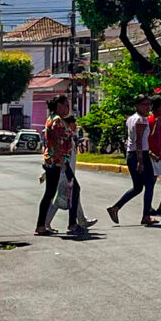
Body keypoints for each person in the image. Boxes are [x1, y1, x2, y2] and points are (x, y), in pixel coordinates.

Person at [36, 97, 92, 238]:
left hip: (55, 161)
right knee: (73, 189)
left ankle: (41, 225)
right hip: (58, 162)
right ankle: (71, 224)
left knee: (51, 193)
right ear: (58, 106)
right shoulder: (57, 121)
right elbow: (55, 140)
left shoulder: (54, 119)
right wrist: (61, 159)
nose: (67, 108)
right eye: (65, 105)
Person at [108, 97, 154, 226]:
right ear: (137, 106)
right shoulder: (140, 120)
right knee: (149, 184)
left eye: (148, 104)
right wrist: (141, 161)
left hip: (133, 154)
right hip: (139, 154)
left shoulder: (131, 118)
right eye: (144, 105)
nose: (147, 107)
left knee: (138, 187)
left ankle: (115, 207)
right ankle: (146, 215)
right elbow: (139, 141)